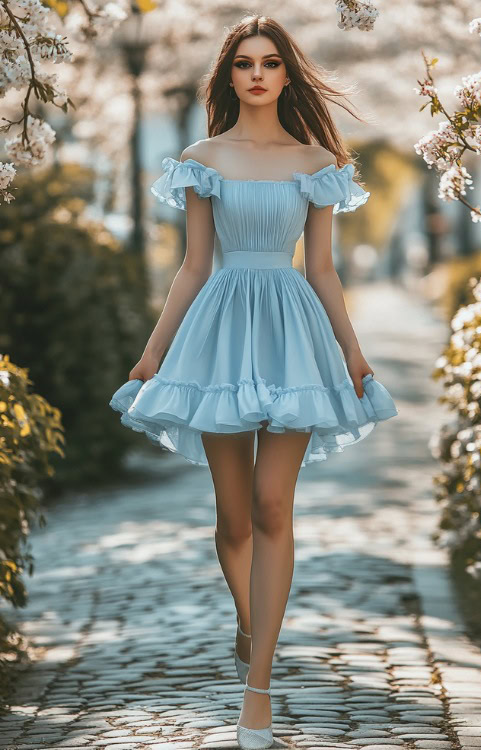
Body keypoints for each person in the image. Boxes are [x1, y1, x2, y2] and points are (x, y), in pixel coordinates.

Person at [110, 14, 398, 750]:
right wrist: (152, 354)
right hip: (216, 332)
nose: (259, 74)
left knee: (275, 506)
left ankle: (258, 687)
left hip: (294, 332)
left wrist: (355, 355)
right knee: (234, 518)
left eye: (272, 63)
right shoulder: (202, 157)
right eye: (245, 63)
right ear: (229, 75)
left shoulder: (316, 162)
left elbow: (325, 270)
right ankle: (251, 621)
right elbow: (193, 265)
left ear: (287, 75)